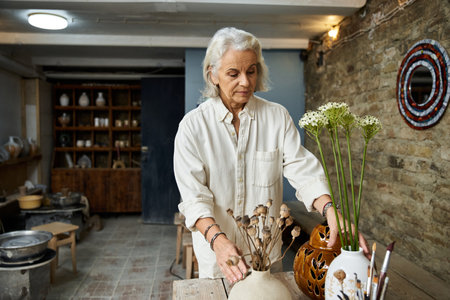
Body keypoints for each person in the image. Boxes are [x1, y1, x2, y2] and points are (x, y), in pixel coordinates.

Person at [174, 27, 369, 284]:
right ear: (213, 75)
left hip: (267, 257)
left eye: (251, 71)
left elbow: (302, 169)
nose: (245, 81)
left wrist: (332, 212)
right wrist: (219, 242)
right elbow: (194, 198)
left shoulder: (277, 117)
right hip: (219, 256)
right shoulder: (193, 127)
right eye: (233, 73)